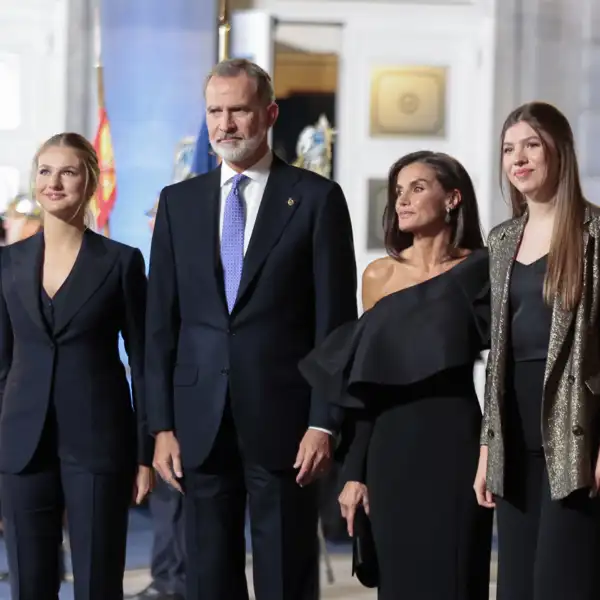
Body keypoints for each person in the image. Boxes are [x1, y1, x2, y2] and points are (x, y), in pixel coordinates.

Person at [145, 58, 357, 600]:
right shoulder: (178, 204)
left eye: (238, 110)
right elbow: (160, 327)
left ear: (269, 114)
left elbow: (335, 325)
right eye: (215, 111)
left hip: (286, 424)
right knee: (209, 577)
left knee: (285, 574)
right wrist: (161, 426)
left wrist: (323, 423)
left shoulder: (315, 199)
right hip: (199, 421)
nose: (225, 124)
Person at [301, 151, 493, 600]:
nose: (402, 200)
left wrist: (494, 449)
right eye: (398, 191)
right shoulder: (379, 276)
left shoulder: (484, 269)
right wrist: (355, 473)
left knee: (458, 578)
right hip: (390, 451)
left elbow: (503, 366)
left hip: (456, 445)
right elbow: (368, 382)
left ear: (453, 197)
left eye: (418, 188)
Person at [0, 132, 153, 600]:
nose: (54, 182)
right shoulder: (7, 263)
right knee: (29, 581)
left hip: (98, 440)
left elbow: (144, 364)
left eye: (68, 171)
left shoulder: (121, 262)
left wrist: (144, 453)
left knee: (98, 581)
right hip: (21, 443)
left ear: (90, 181)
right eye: (45, 171)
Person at [474, 101, 600, 600]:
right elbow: (495, 356)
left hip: (575, 432)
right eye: (509, 148)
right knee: (515, 588)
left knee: (561, 584)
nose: (518, 158)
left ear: (559, 152)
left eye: (531, 145)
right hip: (513, 432)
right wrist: (488, 447)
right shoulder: (501, 239)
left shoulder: (594, 234)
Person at [127, 198, 186, 600]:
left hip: (185, 399)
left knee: (178, 496)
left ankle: (177, 580)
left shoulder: (188, 271)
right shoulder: (154, 272)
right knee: (165, 501)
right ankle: (166, 575)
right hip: (156, 399)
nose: (153, 226)